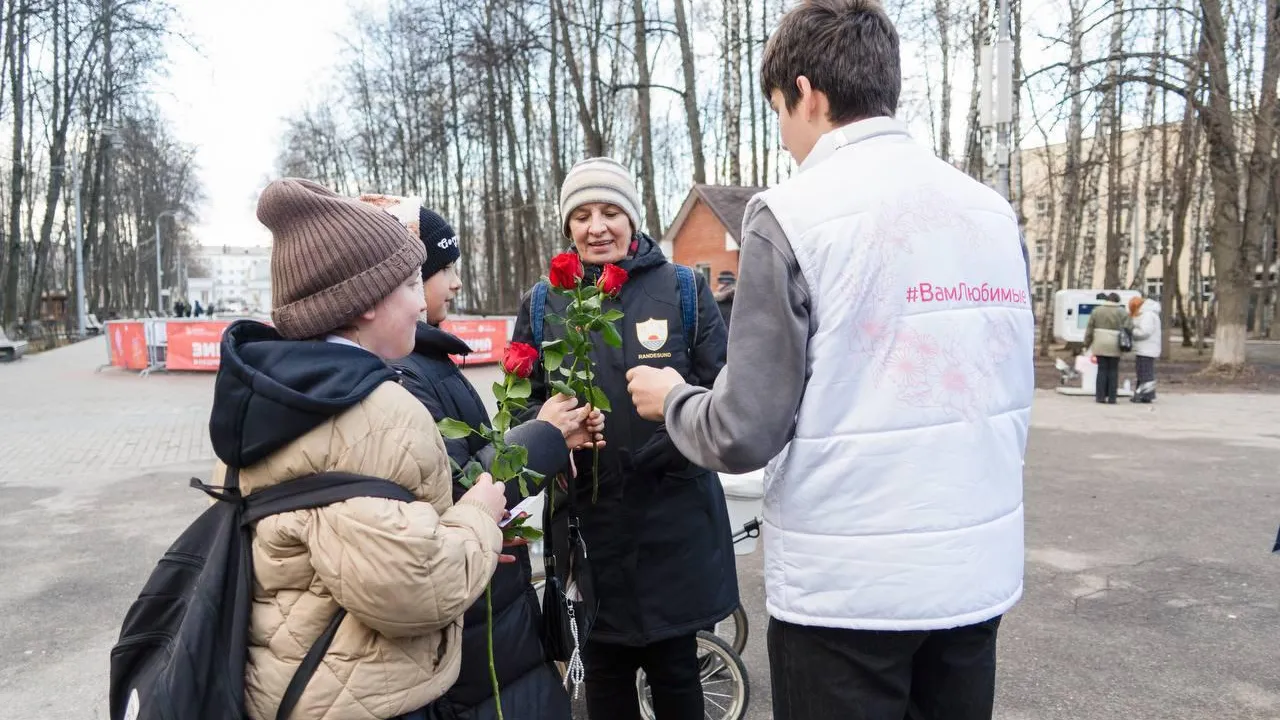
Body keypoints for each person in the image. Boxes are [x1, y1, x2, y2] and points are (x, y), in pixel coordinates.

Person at [626, 1, 1035, 718]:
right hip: (973, 576)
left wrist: (674, 399)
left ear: (808, 93)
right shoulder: (989, 211)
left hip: (851, 592)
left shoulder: (792, 213)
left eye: (781, 112)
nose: (785, 139)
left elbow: (744, 429)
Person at [210, 178, 508, 720]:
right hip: (361, 697)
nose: (423, 302)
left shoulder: (269, 400)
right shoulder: (376, 413)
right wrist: (479, 519)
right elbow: (415, 585)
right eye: (412, 283)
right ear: (368, 301)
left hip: (288, 684)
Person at [512, 157, 738, 720]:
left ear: (632, 220)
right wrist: (553, 427)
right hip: (588, 530)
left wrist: (669, 431)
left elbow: (725, 392)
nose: (597, 227)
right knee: (603, 682)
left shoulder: (683, 290)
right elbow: (519, 405)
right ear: (568, 228)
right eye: (583, 215)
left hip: (674, 525)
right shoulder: (543, 304)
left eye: (610, 211)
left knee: (676, 676)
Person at [367, 195, 594, 720]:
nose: (455, 283)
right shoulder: (405, 374)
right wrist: (543, 436)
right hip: (475, 633)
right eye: (443, 269)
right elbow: (454, 491)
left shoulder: (428, 362)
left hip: (491, 607)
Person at [1084, 291, 1132, 404]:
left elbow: (1090, 328)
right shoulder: (1122, 312)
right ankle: (1112, 397)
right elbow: (1128, 327)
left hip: (1100, 343)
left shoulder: (1097, 311)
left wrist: (1087, 343)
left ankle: (1100, 396)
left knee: (1101, 370)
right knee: (1113, 370)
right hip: (1115, 343)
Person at [1129, 295, 1161, 403]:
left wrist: (1132, 332)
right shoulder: (1150, 314)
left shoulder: (1147, 315)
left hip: (1146, 349)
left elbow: (1145, 332)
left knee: (1145, 373)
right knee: (1143, 372)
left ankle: (1146, 395)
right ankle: (1142, 394)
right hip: (1146, 348)